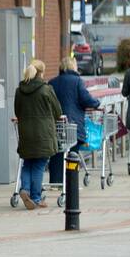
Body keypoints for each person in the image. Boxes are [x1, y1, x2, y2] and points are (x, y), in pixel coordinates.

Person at [14, 60, 63, 210]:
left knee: (28, 163)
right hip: (43, 133)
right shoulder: (46, 89)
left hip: (26, 133)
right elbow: (58, 111)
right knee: (39, 164)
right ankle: (35, 198)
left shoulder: (19, 90)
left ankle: (25, 190)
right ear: (41, 73)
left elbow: (17, 112)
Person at [47, 56, 101, 185]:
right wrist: (96, 103)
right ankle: (71, 183)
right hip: (72, 125)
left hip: (56, 124)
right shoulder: (77, 81)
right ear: (73, 66)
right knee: (72, 153)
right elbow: (86, 99)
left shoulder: (52, 82)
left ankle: (56, 182)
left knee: (57, 153)